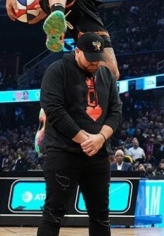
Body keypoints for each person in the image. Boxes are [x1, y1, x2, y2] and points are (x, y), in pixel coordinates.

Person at [37, 32, 122, 236]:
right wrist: (86, 140)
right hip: (63, 152)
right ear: (77, 51)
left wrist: (100, 138)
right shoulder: (57, 70)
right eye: (90, 58)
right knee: (53, 214)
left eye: (98, 59)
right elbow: (54, 110)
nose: (94, 63)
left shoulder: (106, 74)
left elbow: (116, 112)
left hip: (98, 154)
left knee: (101, 216)